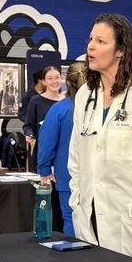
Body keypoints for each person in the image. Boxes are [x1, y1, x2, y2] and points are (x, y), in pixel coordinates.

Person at [68, 12, 132, 262]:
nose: (91, 46)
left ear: (121, 51)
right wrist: (77, 200)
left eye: (101, 41)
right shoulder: (85, 95)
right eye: (91, 39)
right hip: (91, 218)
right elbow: (76, 156)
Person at [37, 61, 85, 237]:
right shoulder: (97, 109)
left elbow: (47, 141)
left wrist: (44, 169)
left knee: (70, 217)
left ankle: (74, 260)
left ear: (68, 82)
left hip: (66, 173)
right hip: (94, 173)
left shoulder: (60, 109)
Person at [24, 66, 64, 167]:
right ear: (44, 81)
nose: (54, 81)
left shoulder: (67, 101)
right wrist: (29, 134)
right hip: (43, 150)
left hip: (64, 151)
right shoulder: (36, 101)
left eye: (57, 77)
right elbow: (28, 125)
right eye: (50, 78)